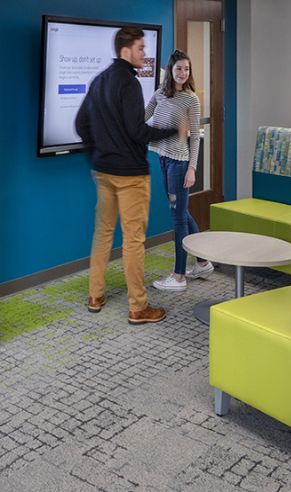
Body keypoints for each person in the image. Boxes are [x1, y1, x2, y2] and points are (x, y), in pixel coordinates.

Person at [75, 26, 187, 325]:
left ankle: (95, 295)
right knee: (134, 240)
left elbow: (81, 123)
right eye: (140, 48)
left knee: (103, 235)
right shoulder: (130, 83)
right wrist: (174, 130)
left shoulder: (99, 81)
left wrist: (96, 155)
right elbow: (139, 132)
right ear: (126, 51)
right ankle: (138, 307)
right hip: (130, 176)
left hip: (103, 172)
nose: (144, 54)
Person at [145, 50, 213, 292]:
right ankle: (203, 263)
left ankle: (179, 276)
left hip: (180, 163)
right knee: (182, 213)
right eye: (179, 69)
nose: (183, 73)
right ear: (170, 71)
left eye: (186, 69)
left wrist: (192, 168)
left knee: (178, 218)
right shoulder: (161, 94)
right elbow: (144, 117)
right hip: (164, 160)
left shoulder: (190, 99)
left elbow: (195, 137)